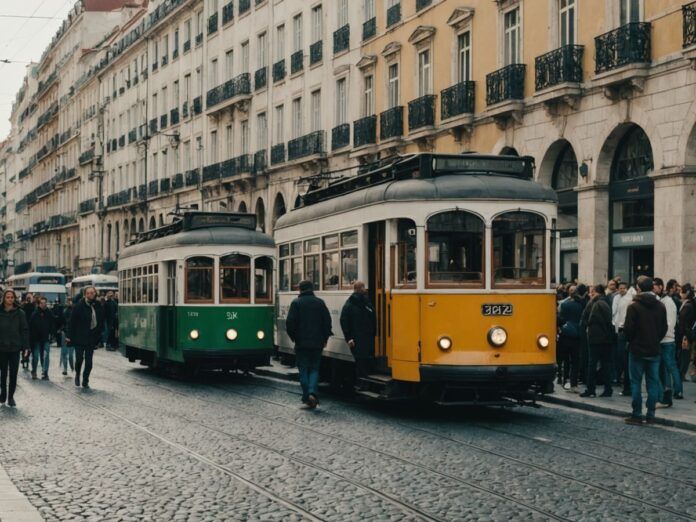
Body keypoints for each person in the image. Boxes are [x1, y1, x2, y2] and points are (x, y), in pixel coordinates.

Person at [623, 276, 668, 425]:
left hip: (637, 350)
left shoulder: (633, 306)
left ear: (639, 288)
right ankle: (651, 415)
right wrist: (655, 339)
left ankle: (636, 414)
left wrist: (632, 340)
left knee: (636, 383)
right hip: (654, 350)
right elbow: (664, 328)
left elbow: (628, 329)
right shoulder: (661, 306)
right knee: (652, 383)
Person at [285, 280, 332, 409]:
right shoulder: (320, 303)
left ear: (300, 290)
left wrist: (294, 338)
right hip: (317, 343)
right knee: (315, 369)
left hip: (301, 343)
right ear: (312, 289)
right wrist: (325, 338)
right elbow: (327, 322)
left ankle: (307, 395)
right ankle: (312, 392)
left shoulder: (296, 303)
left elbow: (290, 324)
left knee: (303, 369)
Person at [340, 281, 377, 391]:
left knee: (360, 361)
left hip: (357, 337)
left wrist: (349, 337)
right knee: (363, 360)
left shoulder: (349, 304)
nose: (365, 289)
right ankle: (363, 383)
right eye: (363, 287)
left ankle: (362, 383)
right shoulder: (366, 303)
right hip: (365, 336)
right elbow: (373, 317)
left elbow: (344, 321)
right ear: (358, 289)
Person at [581, 284, 615, 398]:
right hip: (604, 338)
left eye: (592, 292)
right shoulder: (605, 302)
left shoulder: (598, 303)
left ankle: (591, 389)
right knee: (605, 365)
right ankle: (607, 389)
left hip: (597, 338)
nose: (590, 294)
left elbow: (589, 319)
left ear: (597, 292)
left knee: (593, 364)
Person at [69, 286, 104, 389]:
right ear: (85, 294)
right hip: (79, 338)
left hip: (91, 339)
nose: (90, 295)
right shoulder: (79, 306)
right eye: (88, 293)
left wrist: (99, 335)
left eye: (92, 293)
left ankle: (85, 380)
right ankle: (77, 374)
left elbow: (101, 320)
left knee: (89, 363)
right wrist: (69, 336)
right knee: (79, 359)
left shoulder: (97, 305)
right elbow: (72, 322)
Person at [654, 278, 681, 407]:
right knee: (664, 370)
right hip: (663, 340)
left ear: (660, 286)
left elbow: (669, 323)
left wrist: (659, 337)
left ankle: (670, 395)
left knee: (667, 369)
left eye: (655, 286)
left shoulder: (668, 302)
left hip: (666, 341)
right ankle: (666, 397)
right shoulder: (662, 300)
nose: (653, 289)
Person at [0, 290, 30, 407]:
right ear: (4, 298)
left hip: (15, 348)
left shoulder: (20, 313)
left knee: (13, 373)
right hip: (2, 348)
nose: (10, 299)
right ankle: (3, 393)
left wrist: (26, 346)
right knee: (3, 373)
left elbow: (24, 330)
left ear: (14, 299)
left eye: (12, 297)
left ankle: (11, 396)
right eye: (8, 297)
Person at [558, 285, 583, 392]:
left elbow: (560, 318)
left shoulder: (565, 305)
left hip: (565, 335)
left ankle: (565, 381)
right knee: (575, 361)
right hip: (577, 335)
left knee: (565, 360)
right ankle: (574, 384)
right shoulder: (581, 305)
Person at [612, 281, 635, 395]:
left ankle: (627, 387)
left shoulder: (628, 299)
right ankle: (626, 385)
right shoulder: (618, 298)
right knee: (623, 360)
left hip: (623, 331)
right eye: (620, 288)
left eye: (623, 288)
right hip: (620, 330)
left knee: (624, 360)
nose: (622, 290)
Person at [29, 297, 55, 380]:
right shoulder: (35, 314)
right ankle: (34, 371)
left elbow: (53, 324)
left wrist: (52, 333)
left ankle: (45, 373)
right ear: (39, 304)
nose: (44, 305)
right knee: (36, 356)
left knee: (46, 356)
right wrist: (31, 339)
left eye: (45, 303)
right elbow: (31, 326)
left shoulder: (49, 313)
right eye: (42, 303)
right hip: (36, 339)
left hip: (46, 338)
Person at [677, 283, 696, 385]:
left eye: (682, 292)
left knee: (685, 355)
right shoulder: (688, 304)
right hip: (685, 333)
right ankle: (681, 374)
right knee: (684, 355)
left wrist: (685, 336)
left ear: (687, 293)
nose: (680, 294)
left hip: (685, 334)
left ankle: (681, 374)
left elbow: (684, 322)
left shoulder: (688, 305)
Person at [20, 293, 35, 370]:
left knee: (27, 346)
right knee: (25, 345)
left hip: (30, 328)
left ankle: (25, 358)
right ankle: (25, 358)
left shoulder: (31, 306)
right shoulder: (25, 306)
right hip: (26, 328)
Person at [60, 300, 75, 375]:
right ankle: (66, 368)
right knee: (65, 353)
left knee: (68, 354)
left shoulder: (71, 311)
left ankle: (71, 367)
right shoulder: (65, 311)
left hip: (70, 333)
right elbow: (62, 321)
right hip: (66, 333)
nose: (69, 303)